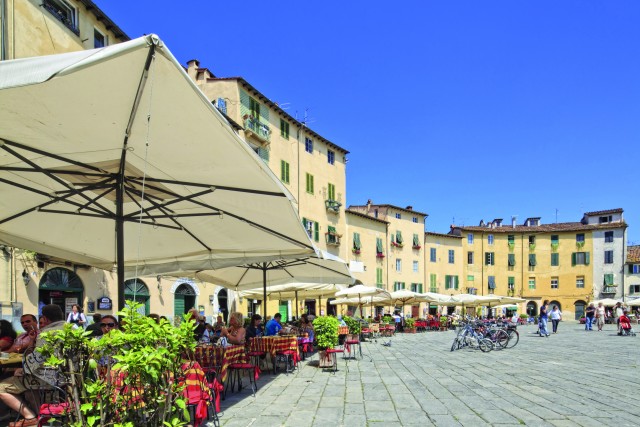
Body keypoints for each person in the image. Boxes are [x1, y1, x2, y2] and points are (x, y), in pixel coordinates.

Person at [0, 304, 65, 427]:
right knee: (29, 388)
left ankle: (31, 416)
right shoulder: (72, 329)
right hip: (68, 378)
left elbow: (37, 360)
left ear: (44, 319)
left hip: (49, 378)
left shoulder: (47, 333)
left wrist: (22, 369)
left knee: (1, 388)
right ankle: (41, 416)